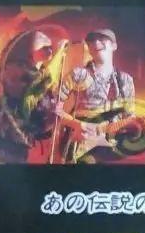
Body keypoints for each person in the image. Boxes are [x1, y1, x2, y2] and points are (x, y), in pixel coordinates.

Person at [0, 29, 58, 163]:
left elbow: (37, 121)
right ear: (25, 45)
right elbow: (18, 105)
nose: (48, 43)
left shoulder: (43, 81)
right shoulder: (12, 71)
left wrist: (52, 117)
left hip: (17, 148)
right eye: (41, 39)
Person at [56, 29, 137, 163]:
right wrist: (77, 124)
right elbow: (54, 109)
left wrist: (137, 124)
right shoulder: (78, 74)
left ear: (114, 46)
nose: (96, 42)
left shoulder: (125, 80)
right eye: (91, 41)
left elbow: (129, 116)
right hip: (81, 144)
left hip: (110, 148)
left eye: (102, 39)